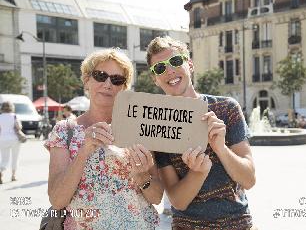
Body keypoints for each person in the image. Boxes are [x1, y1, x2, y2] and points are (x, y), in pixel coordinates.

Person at [45, 48, 163, 229]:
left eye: (117, 80)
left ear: (124, 88)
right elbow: (57, 200)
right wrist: (84, 151)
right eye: (100, 76)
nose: (108, 84)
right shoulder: (65, 131)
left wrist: (141, 175)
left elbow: (156, 197)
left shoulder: (140, 129)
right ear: (86, 80)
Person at [147, 36, 256, 230]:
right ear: (155, 79)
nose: (170, 70)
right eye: (160, 68)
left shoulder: (227, 108)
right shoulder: (158, 125)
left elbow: (249, 179)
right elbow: (178, 202)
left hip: (237, 224)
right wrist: (198, 172)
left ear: (189, 64)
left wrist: (220, 149)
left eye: (175, 61)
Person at [0, 102, 21, 183]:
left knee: (5, 158)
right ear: (12, 107)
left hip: (2, 139)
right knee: (15, 158)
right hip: (14, 139)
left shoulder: (0, 117)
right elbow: (19, 127)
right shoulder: (14, 116)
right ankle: (13, 175)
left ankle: (1, 172)